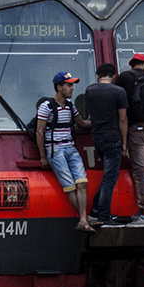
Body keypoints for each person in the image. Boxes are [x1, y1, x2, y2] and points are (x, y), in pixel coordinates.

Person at [35, 72, 94, 233]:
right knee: (70, 186)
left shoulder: (70, 105)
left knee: (82, 182)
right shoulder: (46, 106)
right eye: (68, 85)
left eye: (72, 85)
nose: (72, 88)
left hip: (70, 148)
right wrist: (43, 156)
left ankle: (83, 220)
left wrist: (102, 121)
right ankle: (85, 219)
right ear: (59, 87)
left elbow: (82, 123)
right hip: (55, 150)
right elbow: (39, 132)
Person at [115, 53, 144, 224]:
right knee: (140, 166)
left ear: (132, 65)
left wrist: (123, 139)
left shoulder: (124, 78)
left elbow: (121, 109)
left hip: (137, 129)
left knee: (139, 169)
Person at [84, 63, 129, 226]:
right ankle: (103, 216)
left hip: (97, 138)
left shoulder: (90, 90)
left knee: (107, 176)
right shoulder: (119, 92)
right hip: (112, 137)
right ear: (114, 75)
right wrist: (124, 142)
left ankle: (96, 211)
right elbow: (122, 119)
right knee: (110, 178)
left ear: (97, 75)